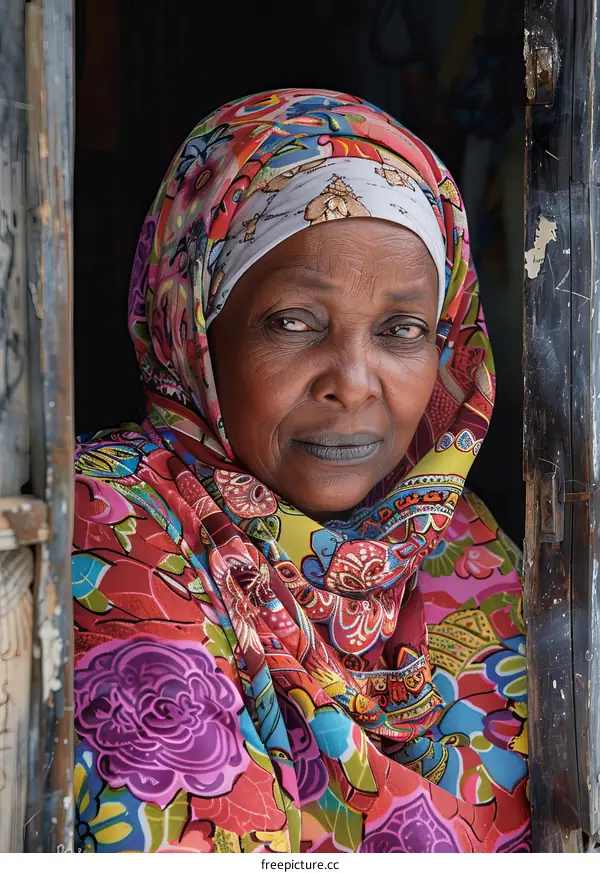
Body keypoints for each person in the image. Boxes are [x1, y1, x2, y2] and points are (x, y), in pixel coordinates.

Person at [72, 89, 529, 853]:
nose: (353, 381)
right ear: (194, 324)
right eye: (293, 321)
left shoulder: (459, 543)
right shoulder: (112, 523)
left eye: (402, 329)